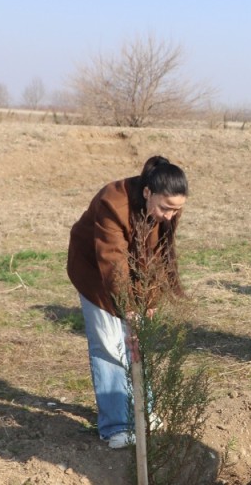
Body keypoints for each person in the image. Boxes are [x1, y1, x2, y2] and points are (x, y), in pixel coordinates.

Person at [67, 156, 188, 449]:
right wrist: (128, 308)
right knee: (110, 344)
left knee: (137, 343)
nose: (170, 215)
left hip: (132, 273)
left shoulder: (167, 210)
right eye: (166, 208)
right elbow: (113, 262)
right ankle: (117, 426)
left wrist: (149, 300)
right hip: (95, 272)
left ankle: (143, 414)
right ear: (147, 192)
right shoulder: (113, 202)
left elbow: (158, 255)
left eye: (177, 210)